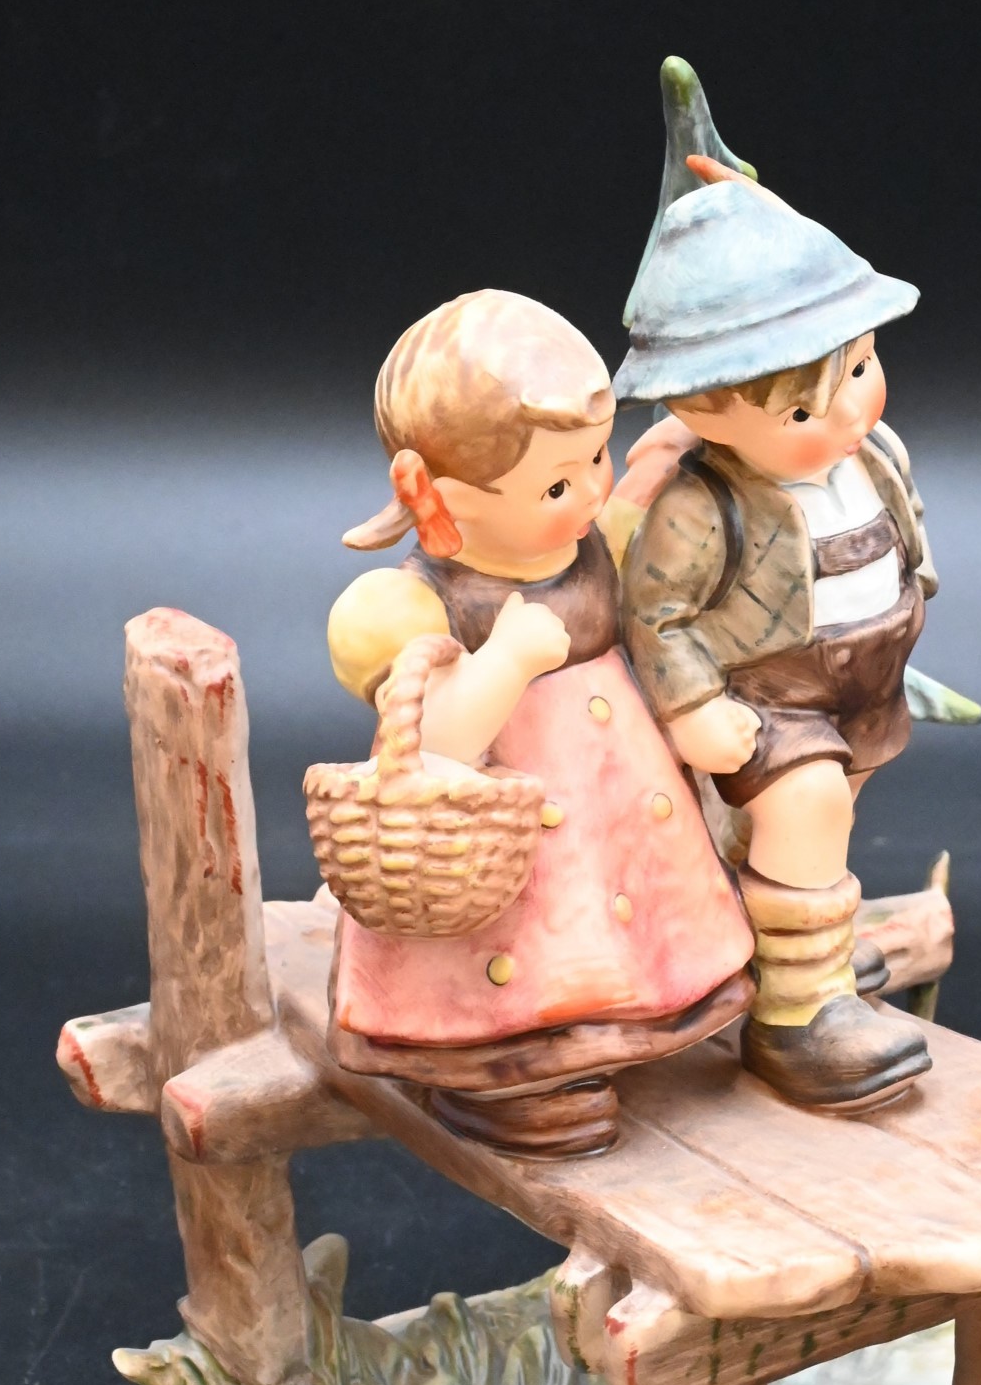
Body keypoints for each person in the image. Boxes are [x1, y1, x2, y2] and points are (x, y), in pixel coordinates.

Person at [323, 288, 754, 1156]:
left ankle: (635, 1016)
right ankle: (510, 1075)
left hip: (616, 798)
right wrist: (506, 663)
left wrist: (661, 464)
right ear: (444, 499)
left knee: (635, 920)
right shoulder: (419, 603)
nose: (591, 489)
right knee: (529, 942)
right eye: (558, 482)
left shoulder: (588, 540)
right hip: (503, 839)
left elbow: (630, 530)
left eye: (597, 455)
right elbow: (434, 740)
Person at [613, 61, 936, 1113]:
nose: (846, 412)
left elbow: (899, 529)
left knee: (821, 818)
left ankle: (792, 948)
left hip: (862, 682)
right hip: (769, 697)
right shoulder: (702, 505)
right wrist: (695, 707)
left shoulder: (868, 449)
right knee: (804, 802)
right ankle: (797, 1016)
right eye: (802, 410)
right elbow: (656, 614)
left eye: (859, 368)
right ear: (699, 408)